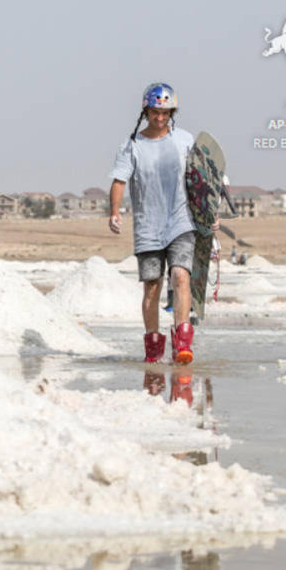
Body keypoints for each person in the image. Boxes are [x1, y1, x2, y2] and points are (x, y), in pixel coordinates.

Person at [108, 82, 209, 364]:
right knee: (152, 286)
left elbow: (202, 179)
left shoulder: (185, 140)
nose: (160, 117)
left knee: (181, 276)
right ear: (146, 111)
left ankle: (182, 342)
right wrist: (115, 211)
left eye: (166, 113)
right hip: (148, 226)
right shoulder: (132, 145)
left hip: (181, 221)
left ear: (172, 113)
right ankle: (153, 347)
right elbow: (119, 181)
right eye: (155, 112)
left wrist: (210, 211)